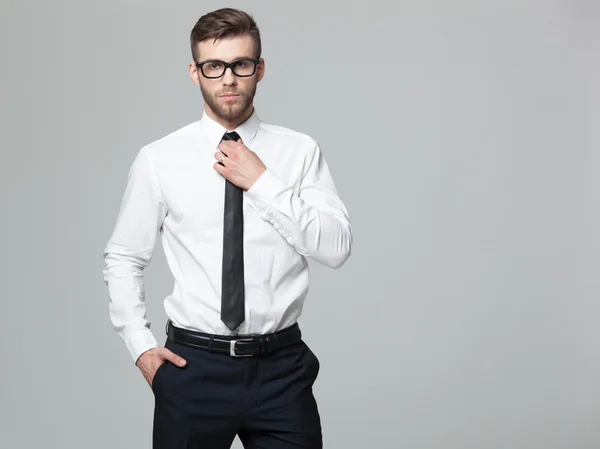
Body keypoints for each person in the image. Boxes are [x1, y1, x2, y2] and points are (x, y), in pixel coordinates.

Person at [102, 7, 352, 449]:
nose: (229, 79)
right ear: (195, 72)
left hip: (281, 371)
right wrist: (140, 347)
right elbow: (124, 257)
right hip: (192, 369)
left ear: (260, 68)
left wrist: (261, 181)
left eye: (241, 64)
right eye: (214, 66)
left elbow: (335, 248)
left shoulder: (298, 152)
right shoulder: (159, 159)